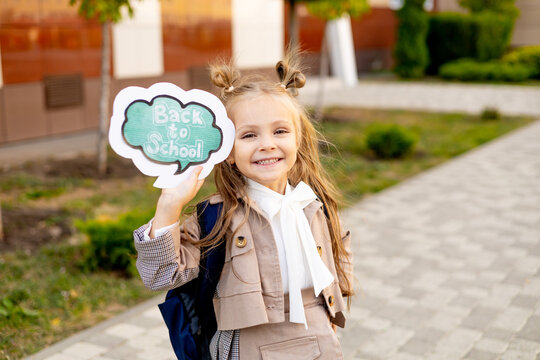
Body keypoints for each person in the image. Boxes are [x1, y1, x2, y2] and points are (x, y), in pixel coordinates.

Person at [133, 49, 354, 360]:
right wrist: (169, 202)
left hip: (320, 346)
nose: (267, 143)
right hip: (248, 348)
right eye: (249, 135)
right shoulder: (217, 217)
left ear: (298, 139)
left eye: (280, 131)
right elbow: (160, 275)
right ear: (228, 152)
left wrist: (333, 317)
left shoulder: (314, 206)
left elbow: (340, 254)